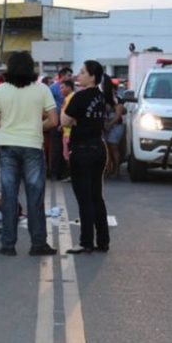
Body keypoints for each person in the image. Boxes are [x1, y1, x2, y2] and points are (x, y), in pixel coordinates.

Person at [0, 51, 58, 257]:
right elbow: (53, 121)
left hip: (7, 146)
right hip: (33, 147)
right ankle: (38, 244)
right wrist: (36, 126)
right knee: (35, 197)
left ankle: (8, 245)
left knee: (9, 196)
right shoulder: (42, 90)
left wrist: (7, 126)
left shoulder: (0, 90)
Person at [60, 60, 110, 254]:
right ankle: (103, 240)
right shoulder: (101, 96)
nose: (77, 76)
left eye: (82, 72)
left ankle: (86, 241)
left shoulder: (79, 97)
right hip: (98, 148)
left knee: (84, 199)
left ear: (92, 77)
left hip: (82, 151)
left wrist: (71, 114)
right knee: (97, 196)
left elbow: (65, 120)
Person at [102, 75, 125, 177]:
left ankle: (116, 170)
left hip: (116, 126)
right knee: (107, 148)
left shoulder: (117, 99)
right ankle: (109, 169)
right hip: (106, 125)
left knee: (114, 147)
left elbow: (118, 115)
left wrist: (109, 124)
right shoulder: (103, 98)